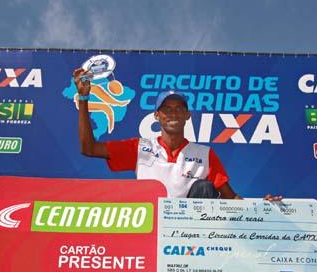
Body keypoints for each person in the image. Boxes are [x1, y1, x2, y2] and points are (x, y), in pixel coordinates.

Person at [74, 68, 281, 200]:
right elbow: (89, 148)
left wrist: (261, 210)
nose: (173, 113)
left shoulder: (204, 154)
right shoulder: (140, 147)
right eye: (167, 109)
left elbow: (231, 198)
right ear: (157, 116)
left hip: (188, 239)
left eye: (179, 108)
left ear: (188, 115)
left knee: (204, 188)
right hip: (150, 229)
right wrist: (83, 99)